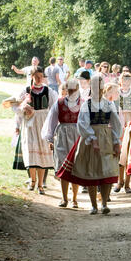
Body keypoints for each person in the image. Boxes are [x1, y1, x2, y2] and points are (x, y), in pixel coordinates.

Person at [57, 75, 122, 215]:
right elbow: (82, 124)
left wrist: (117, 142)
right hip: (91, 140)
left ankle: (104, 203)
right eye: (94, 85)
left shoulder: (109, 104)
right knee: (92, 171)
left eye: (99, 85)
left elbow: (116, 124)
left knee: (107, 170)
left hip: (106, 138)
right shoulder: (86, 104)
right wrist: (92, 138)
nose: (97, 88)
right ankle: (94, 205)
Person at [17, 66, 58, 194]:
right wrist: (24, 107)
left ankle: (40, 184)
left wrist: (53, 127)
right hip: (30, 123)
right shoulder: (26, 90)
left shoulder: (48, 91)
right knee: (31, 150)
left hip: (43, 122)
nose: (39, 79)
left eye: (41, 76)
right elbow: (16, 105)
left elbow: (54, 108)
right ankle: (32, 180)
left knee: (42, 153)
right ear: (32, 76)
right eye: (36, 76)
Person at [42, 79, 81, 208]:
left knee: (76, 167)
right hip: (62, 135)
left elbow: (87, 122)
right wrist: (50, 138)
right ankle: (64, 198)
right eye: (70, 90)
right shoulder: (59, 104)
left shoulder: (83, 104)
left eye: (74, 90)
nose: (72, 92)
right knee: (63, 166)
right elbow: (52, 121)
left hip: (77, 135)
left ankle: (74, 199)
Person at [114, 72, 131, 194]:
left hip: (130, 123)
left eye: (128, 80)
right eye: (124, 79)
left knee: (129, 154)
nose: (126, 82)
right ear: (121, 81)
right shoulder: (117, 92)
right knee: (119, 154)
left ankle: (127, 183)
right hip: (118, 123)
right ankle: (119, 181)